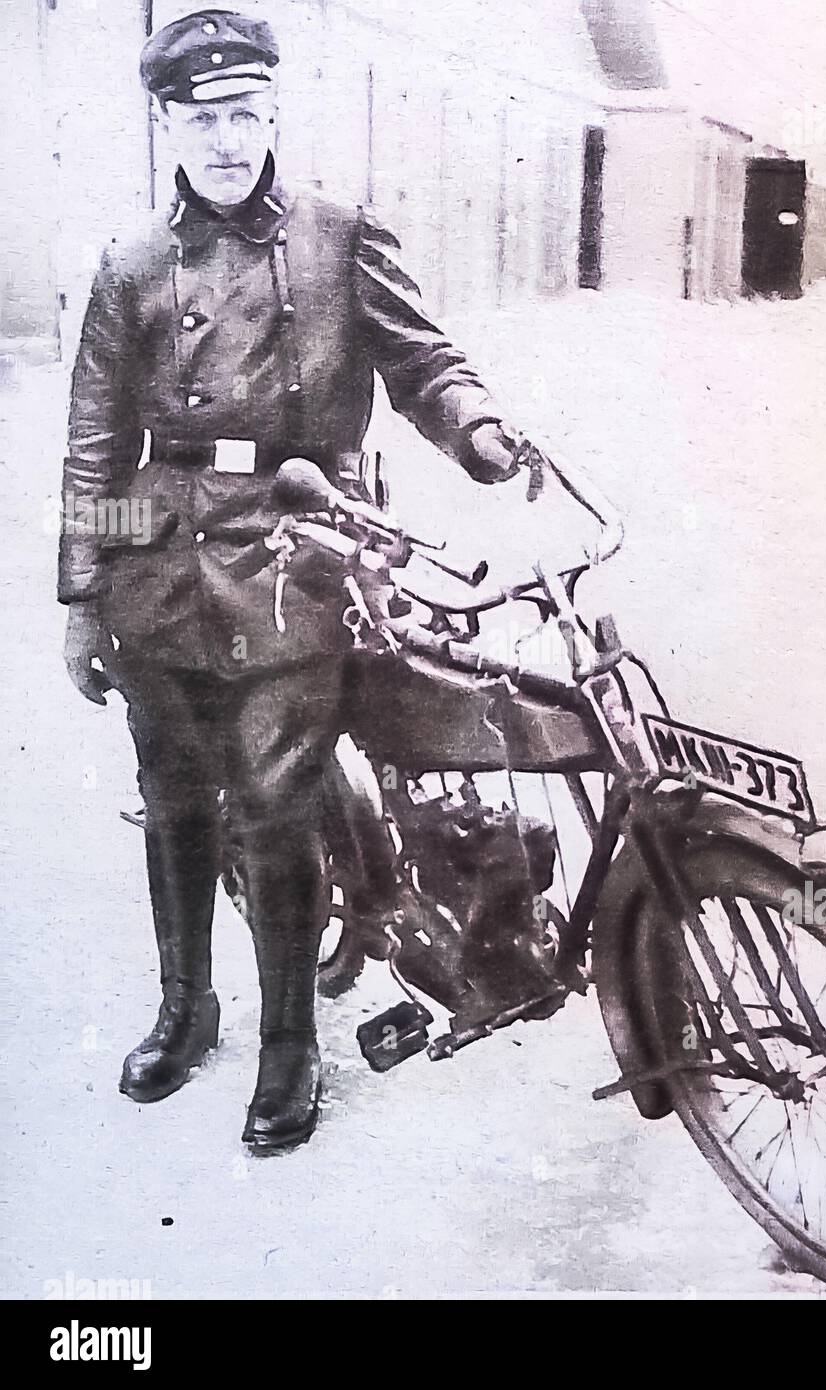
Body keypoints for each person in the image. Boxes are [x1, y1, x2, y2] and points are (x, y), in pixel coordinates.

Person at [59, 9, 525, 1151]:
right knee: (174, 801)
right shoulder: (129, 265)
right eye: (202, 118)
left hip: (298, 550)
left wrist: (475, 430)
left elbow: (423, 360)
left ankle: (287, 1047)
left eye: (245, 115)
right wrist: (82, 593)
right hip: (160, 566)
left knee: (273, 811)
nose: (225, 140)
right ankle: (185, 1008)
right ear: (167, 124)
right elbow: (95, 441)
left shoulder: (336, 233)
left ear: (273, 117)